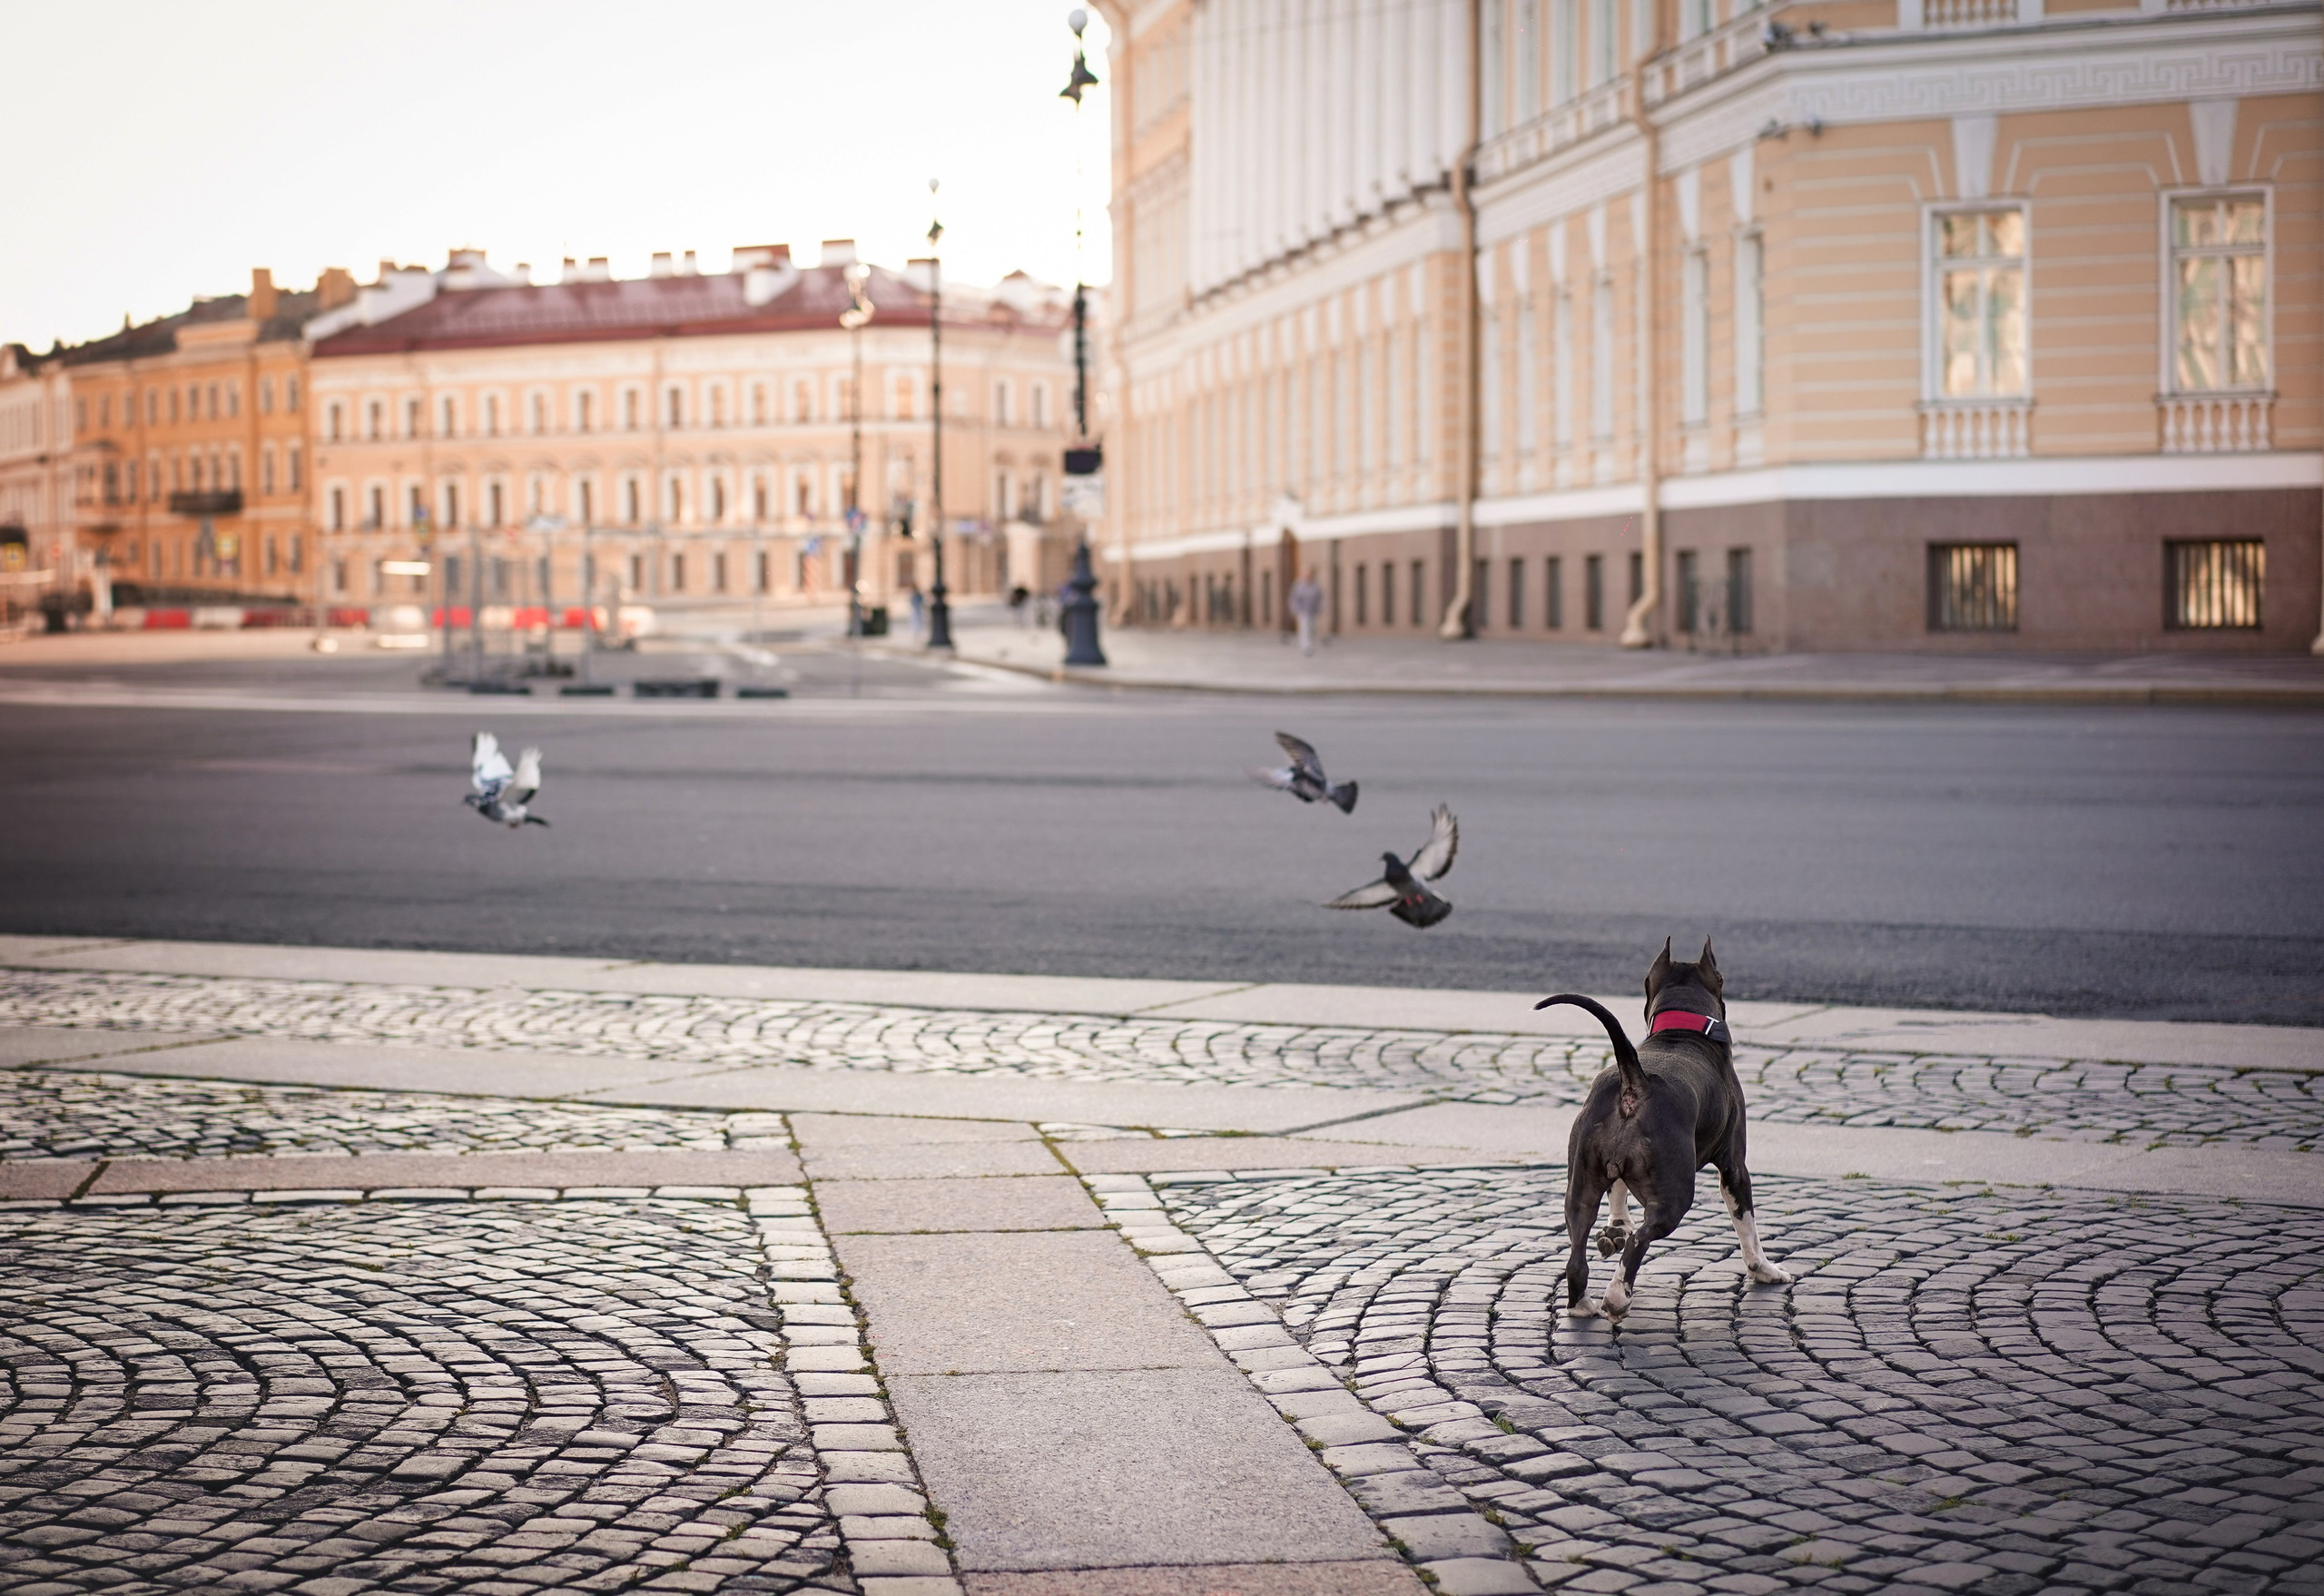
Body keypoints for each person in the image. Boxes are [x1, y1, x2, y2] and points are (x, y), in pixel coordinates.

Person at [1288, 566, 1324, 656]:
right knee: (1305, 629)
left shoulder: (1316, 586)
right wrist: (1295, 610)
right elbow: (1294, 598)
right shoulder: (1299, 585)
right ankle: (1306, 647)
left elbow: (1321, 598)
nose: (1308, 576)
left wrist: (1321, 608)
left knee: (1312, 629)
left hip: (1313, 611)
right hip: (1303, 611)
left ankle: (1310, 644)